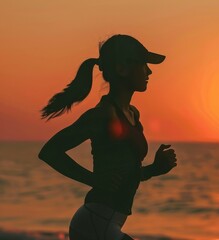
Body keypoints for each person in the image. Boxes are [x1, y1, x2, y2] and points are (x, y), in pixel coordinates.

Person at [38, 34, 178, 240]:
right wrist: (93, 179)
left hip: (106, 224)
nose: (149, 71)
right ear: (122, 68)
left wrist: (154, 170)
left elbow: (123, 174)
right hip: (94, 224)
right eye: (143, 64)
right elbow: (50, 151)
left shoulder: (132, 114)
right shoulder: (103, 115)